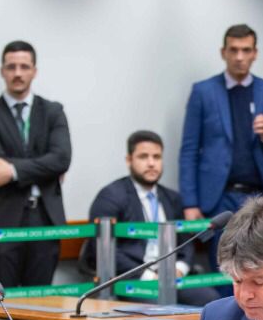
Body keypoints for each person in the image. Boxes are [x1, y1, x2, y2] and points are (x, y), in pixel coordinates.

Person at [178, 23, 263, 270]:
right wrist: (190, 203)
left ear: (255, 53)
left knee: (261, 267)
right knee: (223, 269)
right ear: (224, 52)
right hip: (218, 198)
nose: (240, 57)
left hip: (259, 197)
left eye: (246, 50)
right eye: (234, 50)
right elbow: (189, 150)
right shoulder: (203, 91)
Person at [0, 40, 72, 287]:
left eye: (24, 67)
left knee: (42, 298)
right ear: (2, 71)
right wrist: (45, 168)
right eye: (11, 67)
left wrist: (14, 170)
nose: (18, 73)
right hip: (4, 217)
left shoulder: (53, 111)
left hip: (45, 217)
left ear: (34, 71)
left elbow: (62, 158)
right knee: (3, 298)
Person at [82, 130, 220, 308]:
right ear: (129, 160)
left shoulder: (172, 198)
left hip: (171, 277)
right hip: (132, 279)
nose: (151, 163)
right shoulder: (110, 196)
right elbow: (104, 249)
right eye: (143, 157)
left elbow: (186, 243)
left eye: (157, 157)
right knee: (155, 307)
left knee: (212, 301)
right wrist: (148, 276)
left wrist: (180, 269)